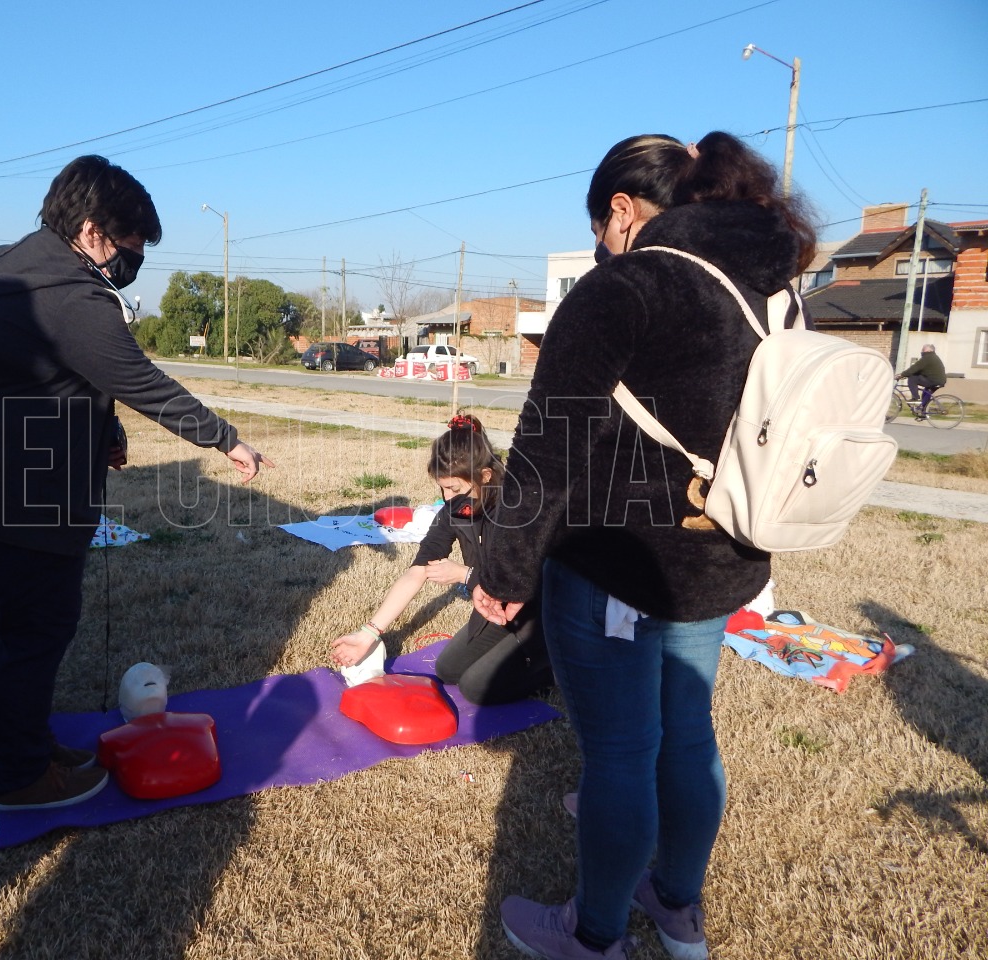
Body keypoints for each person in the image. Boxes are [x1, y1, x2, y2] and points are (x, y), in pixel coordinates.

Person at [473, 132, 818, 960]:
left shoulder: (628, 287)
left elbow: (546, 447)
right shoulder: (776, 290)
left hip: (617, 564)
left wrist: (507, 566)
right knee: (689, 734)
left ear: (622, 212)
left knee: (621, 755)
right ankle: (675, 905)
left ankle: (592, 935)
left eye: (599, 225)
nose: (599, 242)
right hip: (717, 559)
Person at [0, 155, 273, 811]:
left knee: (26, 622)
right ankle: (21, 774)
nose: (129, 267)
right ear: (93, 231)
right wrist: (226, 438)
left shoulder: (11, 265)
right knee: (39, 624)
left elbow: (47, 376)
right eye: (129, 253)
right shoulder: (71, 299)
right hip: (6, 487)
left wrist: (103, 436)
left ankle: (17, 741)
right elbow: (138, 380)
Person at [330, 414, 551, 705]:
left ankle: (558, 665)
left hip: (539, 614)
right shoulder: (453, 510)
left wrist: (465, 575)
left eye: (455, 489)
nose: (447, 498)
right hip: (495, 613)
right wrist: (369, 633)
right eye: (442, 488)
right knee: (448, 670)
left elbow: (526, 578)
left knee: (476, 688)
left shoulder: (518, 506)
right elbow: (418, 571)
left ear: (485, 476)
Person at [897, 344, 946, 419]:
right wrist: (905, 374)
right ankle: (923, 412)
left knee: (912, 378)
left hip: (934, 381)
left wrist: (902, 375)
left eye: (923, 350)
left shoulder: (927, 357)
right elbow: (921, 370)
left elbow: (914, 368)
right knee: (925, 393)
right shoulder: (932, 357)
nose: (921, 351)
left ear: (929, 350)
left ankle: (915, 398)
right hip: (938, 380)